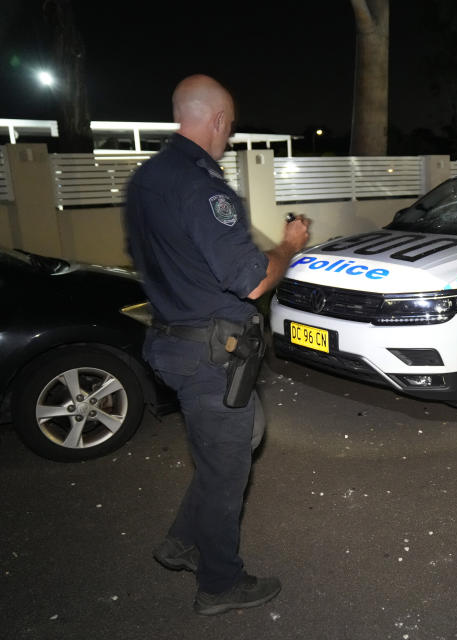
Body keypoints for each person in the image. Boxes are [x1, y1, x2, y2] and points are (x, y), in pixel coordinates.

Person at [124, 74, 310, 615]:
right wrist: (289, 245)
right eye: (229, 127)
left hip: (172, 341)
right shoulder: (203, 188)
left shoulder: (146, 179)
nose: (228, 138)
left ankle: (182, 541)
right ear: (219, 120)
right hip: (210, 356)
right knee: (228, 469)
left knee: (235, 442)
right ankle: (220, 584)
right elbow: (252, 280)